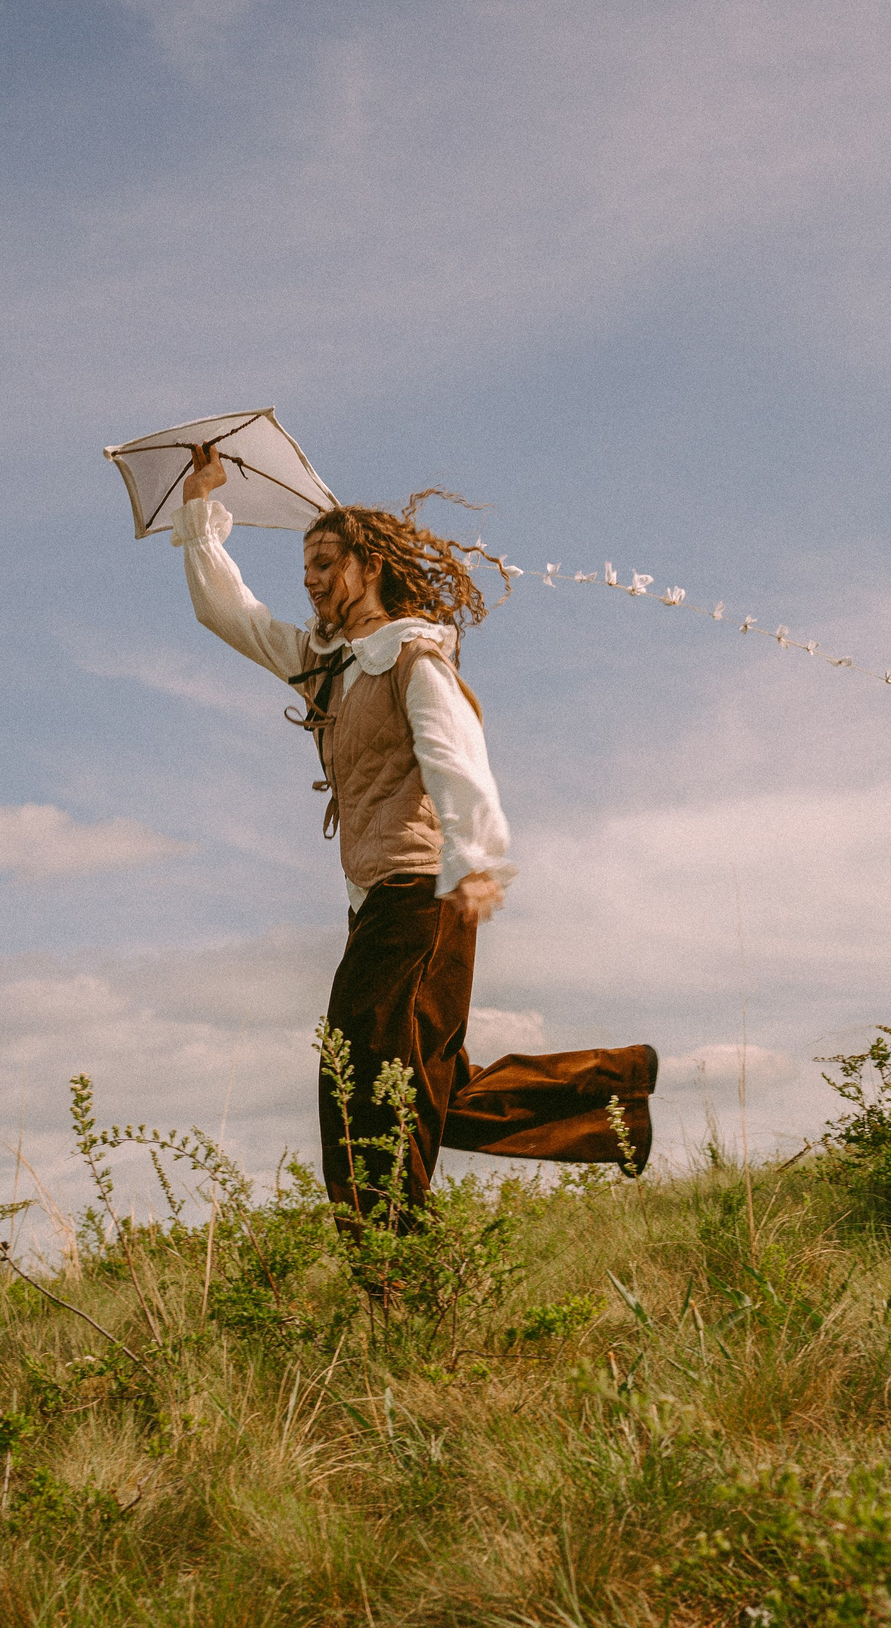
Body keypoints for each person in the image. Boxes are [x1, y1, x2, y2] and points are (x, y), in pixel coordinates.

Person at [170, 443, 656, 1228]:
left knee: (361, 1086)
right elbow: (229, 613)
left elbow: (454, 756)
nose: (310, 580)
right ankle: (613, 1096)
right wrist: (200, 511)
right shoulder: (327, 665)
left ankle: (392, 1263)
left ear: (369, 566)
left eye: (325, 563)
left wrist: (473, 859)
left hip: (422, 896)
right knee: (422, 1083)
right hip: (377, 904)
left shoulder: (411, 654)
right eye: (305, 568)